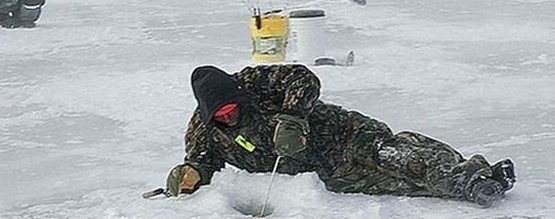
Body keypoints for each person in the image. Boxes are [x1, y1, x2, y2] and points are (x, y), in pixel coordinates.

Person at [163, 64, 516, 207]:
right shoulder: (203, 128)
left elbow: (302, 78)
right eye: (221, 115)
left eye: (232, 108)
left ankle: (470, 178)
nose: (229, 116)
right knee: (398, 184)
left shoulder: (254, 82)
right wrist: (189, 174)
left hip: (346, 136)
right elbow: (200, 161)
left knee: (398, 159)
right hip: (329, 172)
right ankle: (476, 183)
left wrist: (293, 118)